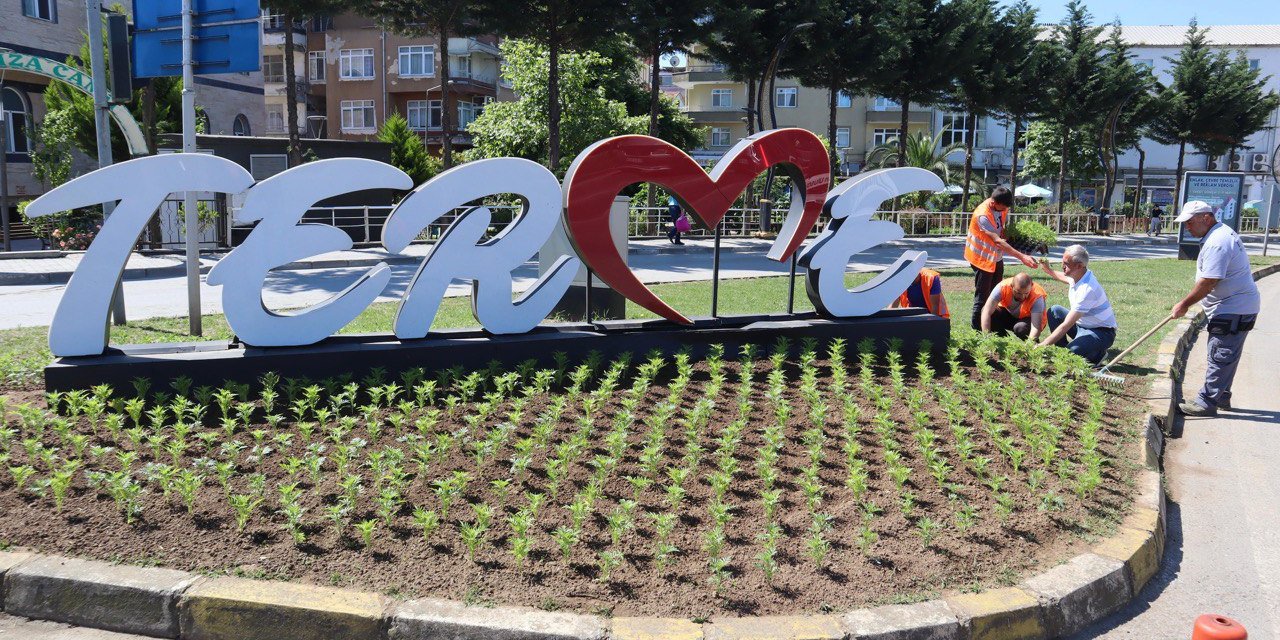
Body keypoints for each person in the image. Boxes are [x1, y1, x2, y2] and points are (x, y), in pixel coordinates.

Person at [1170, 201, 1261, 416]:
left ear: (1206, 218)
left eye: (1190, 222)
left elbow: (1209, 281)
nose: (1187, 227)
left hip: (1233, 307)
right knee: (1227, 353)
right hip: (1238, 306)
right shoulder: (1219, 234)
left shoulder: (1217, 242)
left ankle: (1206, 402)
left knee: (1220, 354)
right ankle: (1221, 396)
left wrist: (1184, 304)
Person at [965, 186, 1038, 330]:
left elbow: (1001, 231)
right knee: (982, 297)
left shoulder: (1002, 208)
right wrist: (1022, 257)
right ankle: (976, 331)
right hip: (981, 259)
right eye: (1003, 207)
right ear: (993, 202)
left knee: (996, 294)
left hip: (995, 257)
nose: (1005, 210)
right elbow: (997, 240)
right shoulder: (983, 215)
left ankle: (993, 326)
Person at [1036, 245, 1117, 364]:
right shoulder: (1079, 275)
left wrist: (1043, 345)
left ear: (1079, 266)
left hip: (1101, 333)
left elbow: (1066, 325)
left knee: (1071, 353)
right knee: (1055, 311)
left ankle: (1097, 354)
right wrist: (1048, 270)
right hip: (1081, 326)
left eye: (1066, 263)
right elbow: (1063, 277)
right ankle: (1062, 350)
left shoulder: (1088, 289)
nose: (1062, 266)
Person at [980, 272, 1047, 340]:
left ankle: (1034, 346)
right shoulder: (1002, 287)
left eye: (1026, 293)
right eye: (1018, 293)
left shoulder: (1037, 297)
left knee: (1020, 328)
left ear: (1031, 286)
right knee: (988, 312)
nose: (1022, 297)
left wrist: (1028, 347)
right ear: (1011, 286)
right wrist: (986, 338)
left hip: (1031, 321)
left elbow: (1035, 327)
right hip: (1011, 315)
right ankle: (1004, 343)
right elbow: (986, 312)